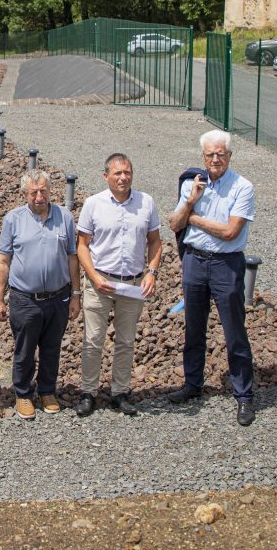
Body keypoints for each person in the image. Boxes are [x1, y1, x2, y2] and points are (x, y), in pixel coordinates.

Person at [167, 129, 257, 426]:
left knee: (234, 331)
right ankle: (193, 384)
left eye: (221, 154)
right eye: (210, 154)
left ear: (229, 156)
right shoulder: (194, 183)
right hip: (195, 261)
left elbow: (231, 232)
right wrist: (191, 202)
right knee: (194, 328)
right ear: (202, 157)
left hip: (226, 265)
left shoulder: (242, 187)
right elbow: (174, 223)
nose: (215, 159)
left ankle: (244, 394)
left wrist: (194, 220)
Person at [74, 153, 161, 418]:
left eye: (127, 172)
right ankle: (88, 392)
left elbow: (155, 241)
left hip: (132, 284)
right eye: (117, 173)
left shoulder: (146, 203)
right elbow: (82, 246)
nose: (123, 177)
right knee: (92, 340)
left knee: (126, 341)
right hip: (100, 281)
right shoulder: (93, 204)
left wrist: (152, 272)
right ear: (106, 176)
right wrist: (94, 276)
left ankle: (120, 392)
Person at [0, 169, 80, 419]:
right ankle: (22, 394)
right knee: (24, 350)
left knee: (52, 348)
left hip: (58, 297)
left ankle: (47, 391)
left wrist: (75, 295)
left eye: (44, 191)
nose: (39, 196)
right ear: (24, 194)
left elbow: (72, 258)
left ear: (51, 191)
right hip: (25, 299)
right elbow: (4, 261)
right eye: (34, 192)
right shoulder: (13, 219)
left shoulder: (64, 217)